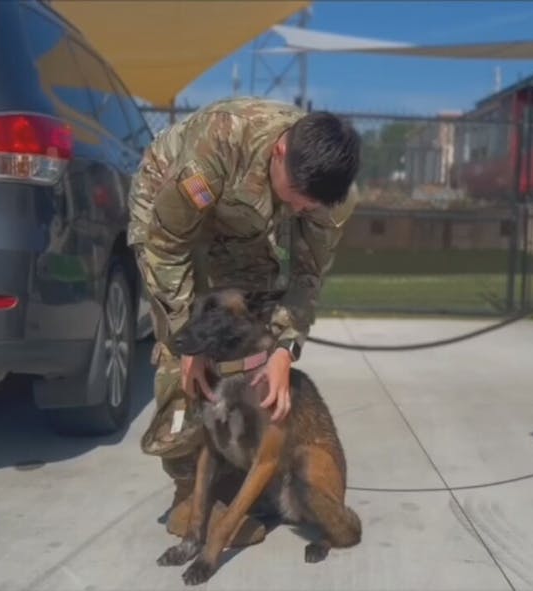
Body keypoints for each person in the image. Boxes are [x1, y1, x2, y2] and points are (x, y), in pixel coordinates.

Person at [127, 96, 360, 546]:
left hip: (245, 228)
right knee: (187, 362)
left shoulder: (324, 197)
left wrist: (283, 351)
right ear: (279, 152)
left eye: (311, 207)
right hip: (169, 213)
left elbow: (307, 273)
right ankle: (188, 499)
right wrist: (187, 343)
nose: (302, 210)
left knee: (248, 345)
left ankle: (232, 474)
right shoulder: (219, 144)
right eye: (297, 197)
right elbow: (168, 246)